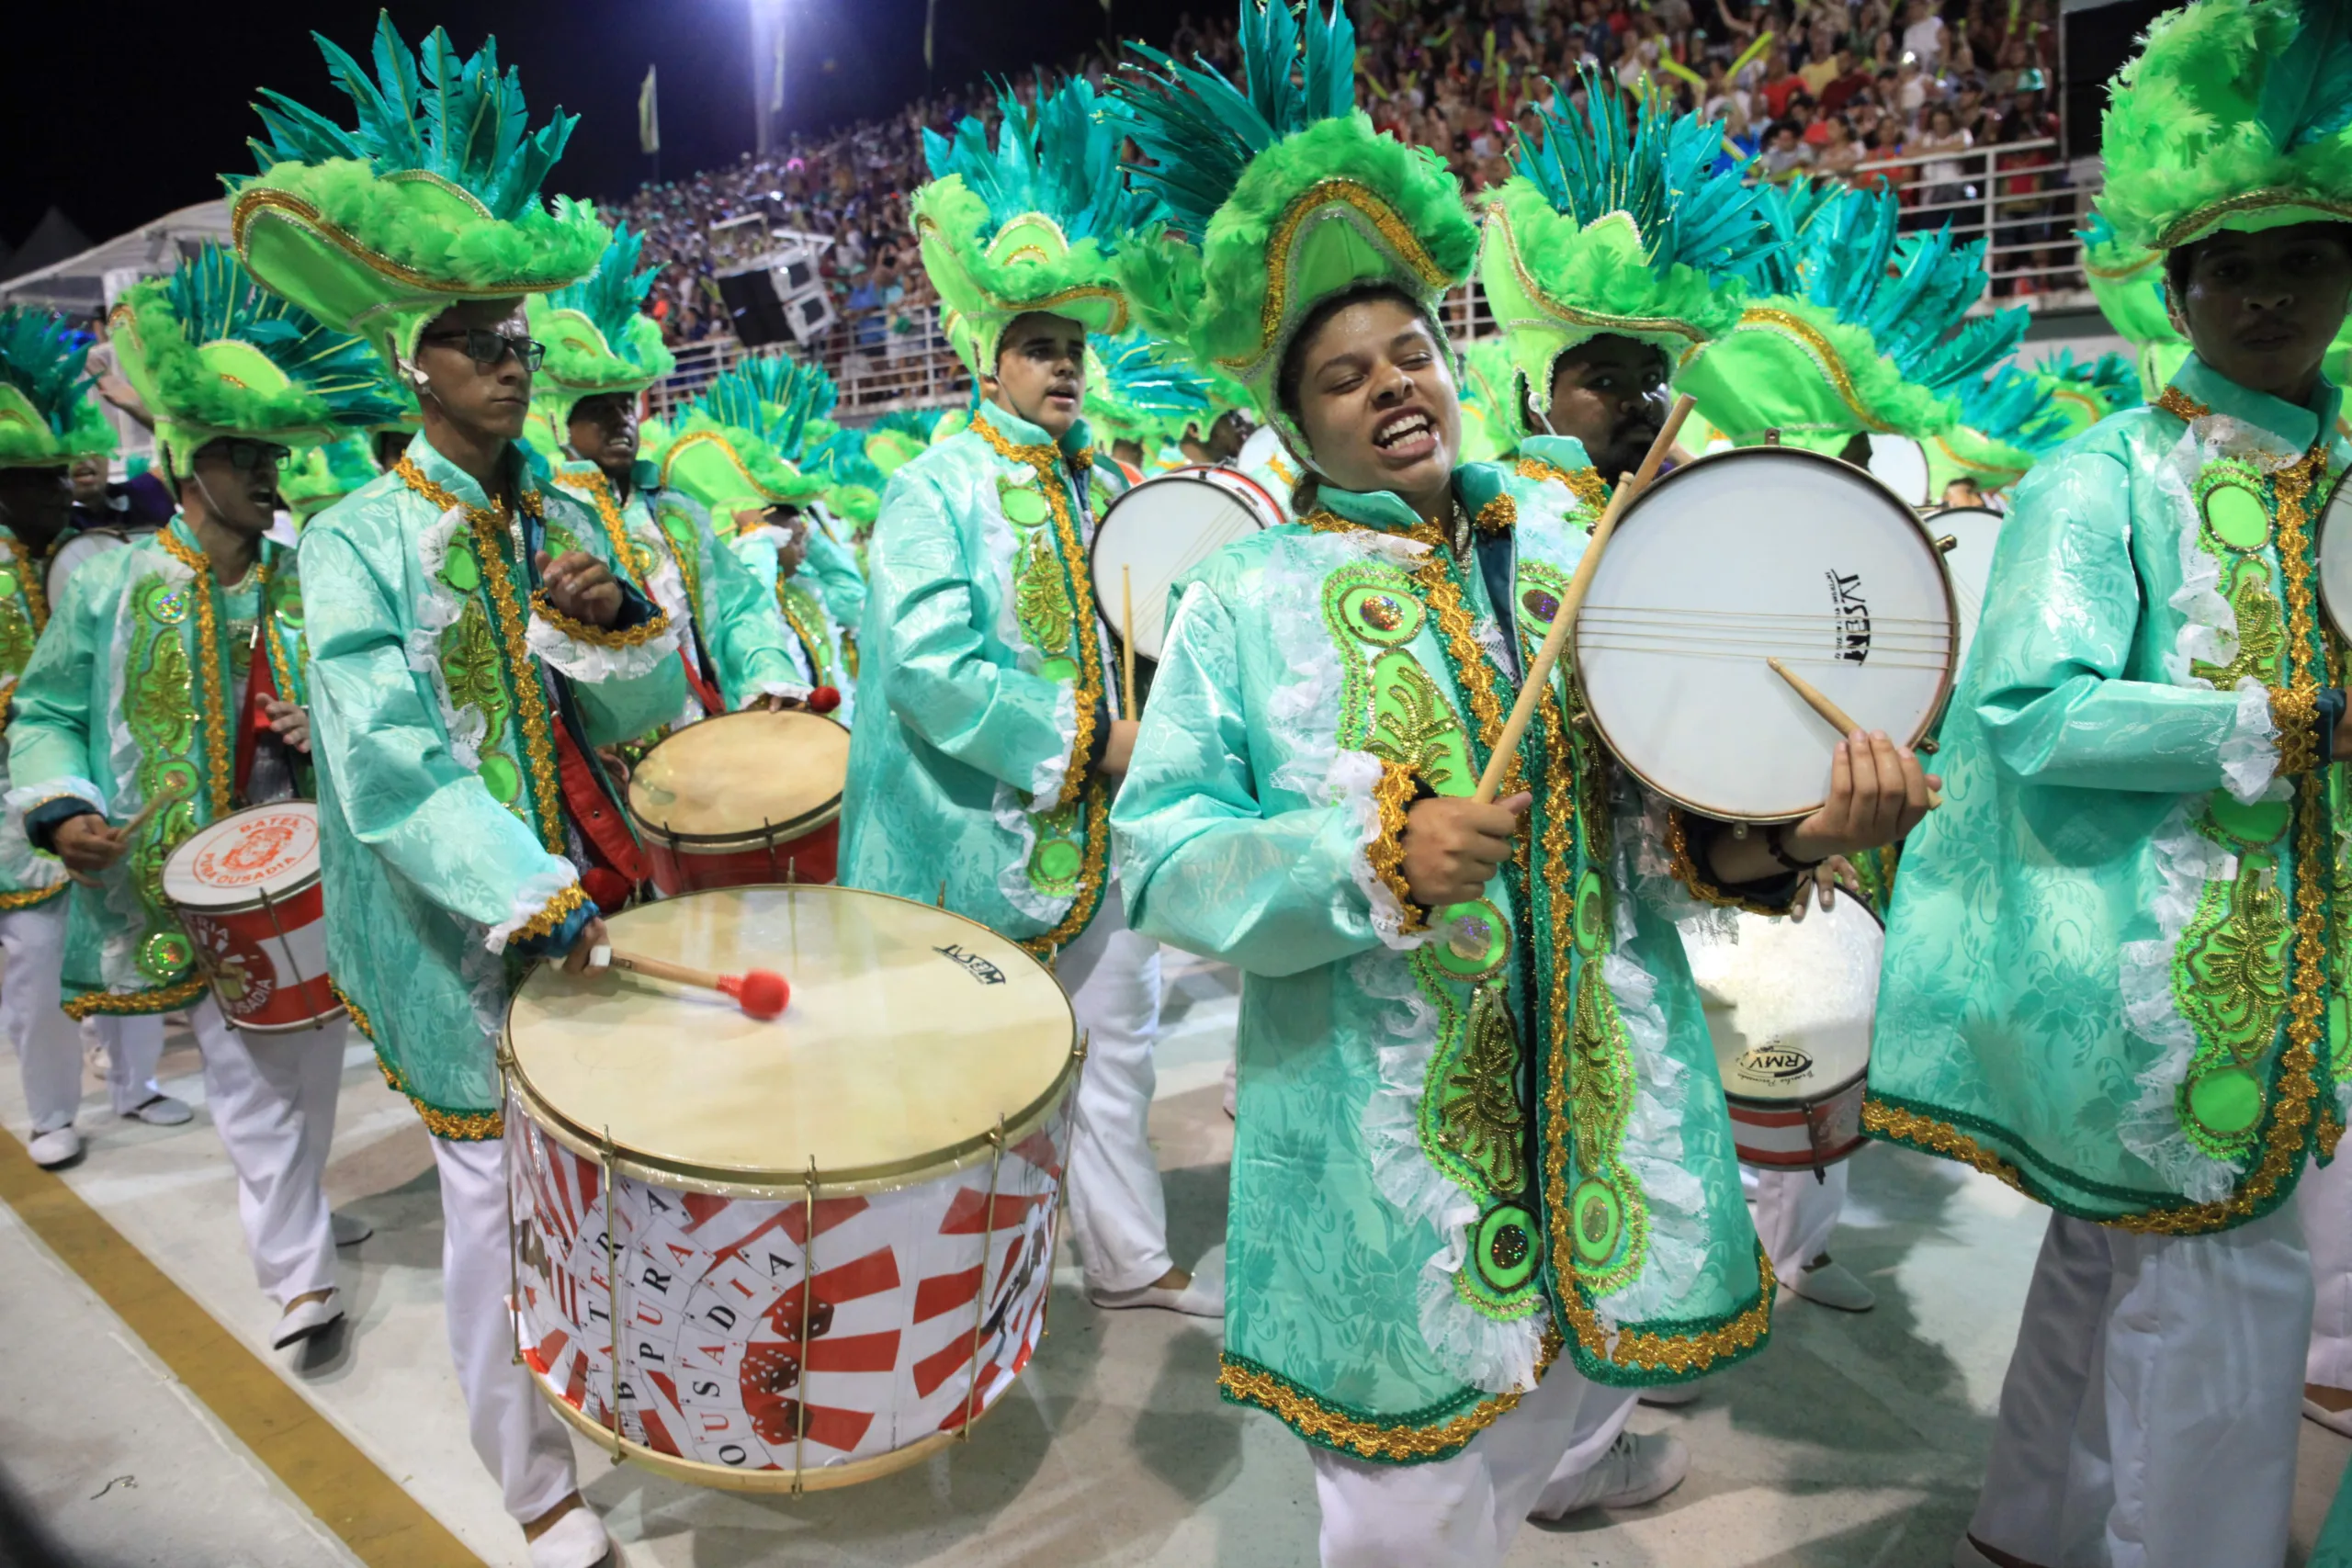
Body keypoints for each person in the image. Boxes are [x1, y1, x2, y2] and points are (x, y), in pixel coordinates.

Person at [1107, 15, 1931, 1563]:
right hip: (1383, 1145)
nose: (1392, 388)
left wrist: (1798, 832)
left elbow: (1661, 813)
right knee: (1408, 1511)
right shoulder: (1243, 598)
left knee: (1541, 1428)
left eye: (1409, 351)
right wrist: (1376, 854)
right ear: (1297, 419)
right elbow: (1164, 859)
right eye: (1343, 378)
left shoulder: (1573, 549)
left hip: (1600, 1108)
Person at [1861, 5, 2352, 1562]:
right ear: (2173, 283)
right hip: (2157, 990)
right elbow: (2029, 712)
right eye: (2232, 264)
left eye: (2304, 257)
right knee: (2221, 1314)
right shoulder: (2102, 477)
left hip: (2309, 970)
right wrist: (2278, 721)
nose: (2269, 294)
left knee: (2108, 1260)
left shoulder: (2343, 480)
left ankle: (2035, 1517)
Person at [230, 19, 685, 1567]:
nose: (512, 356)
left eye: (520, 335)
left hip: (599, 910)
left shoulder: (567, 503)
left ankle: (625, 1391)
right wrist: (522, 892)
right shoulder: (359, 534)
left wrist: (614, 623)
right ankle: (535, 1485)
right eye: (478, 336)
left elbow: (648, 712)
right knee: (495, 1208)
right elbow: (379, 757)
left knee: (610, 1192)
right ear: (410, 361)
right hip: (458, 938)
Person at [842, 74, 1219, 1316]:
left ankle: (1127, 1259)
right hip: (971, 846)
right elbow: (931, 666)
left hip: (1093, 836)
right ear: (987, 360)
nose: (1065, 366)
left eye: (1074, 347)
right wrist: (1084, 736)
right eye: (1040, 348)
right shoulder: (933, 487)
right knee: (970, 1086)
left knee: (1119, 1049)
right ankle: (951, 1299)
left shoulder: (1091, 480)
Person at [6, 249, 399, 1337]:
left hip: (307, 871)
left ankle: (303, 1211)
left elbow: (370, 712)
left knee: (308, 1058)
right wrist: (59, 809)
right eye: (242, 452)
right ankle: (298, 1273)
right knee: (252, 1073)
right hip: (185, 883)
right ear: (187, 460)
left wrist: (310, 732)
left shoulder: (309, 581)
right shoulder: (114, 583)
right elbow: (44, 715)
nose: (268, 471)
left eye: (273, 452)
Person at [0, 309, 190, 1168]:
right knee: (35, 964)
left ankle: (136, 1082)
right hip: (18, 816)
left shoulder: (97, 561)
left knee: (134, 938)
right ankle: (49, 1111)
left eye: (55, 481)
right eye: (33, 484)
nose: (56, 495)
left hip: (106, 790)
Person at [527, 223, 808, 737]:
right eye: (598, 410)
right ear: (556, 423)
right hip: (615, 754)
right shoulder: (542, 517)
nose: (623, 422)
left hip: (705, 734)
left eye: (626, 405)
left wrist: (768, 673)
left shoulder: (677, 510)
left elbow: (739, 606)